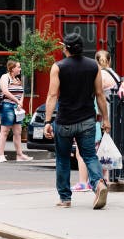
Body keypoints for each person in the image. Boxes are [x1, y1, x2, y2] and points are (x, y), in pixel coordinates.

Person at [44, 33, 110, 209]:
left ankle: (65, 198)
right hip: (87, 119)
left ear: (66, 48)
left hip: (64, 120)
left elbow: (52, 95)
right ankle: (99, 184)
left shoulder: (58, 67)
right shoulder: (93, 66)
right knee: (89, 155)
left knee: (63, 159)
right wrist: (106, 119)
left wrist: (47, 121)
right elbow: (100, 95)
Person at [72, 49, 120, 191]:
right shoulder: (114, 75)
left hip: (95, 117)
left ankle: (83, 182)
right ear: (109, 60)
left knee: (83, 151)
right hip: (110, 116)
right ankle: (105, 179)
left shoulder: (99, 76)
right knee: (102, 149)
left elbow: (92, 95)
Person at [0, 60, 33, 162]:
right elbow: (5, 91)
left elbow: (21, 92)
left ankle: (19, 155)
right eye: (18, 67)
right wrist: (17, 100)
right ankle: (1, 155)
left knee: (18, 132)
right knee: (5, 131)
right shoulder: (5, 77)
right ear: (12, 68)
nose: (20, 69)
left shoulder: (17, 79)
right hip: (7, 106)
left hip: (17, 108)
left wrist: (20, 103)